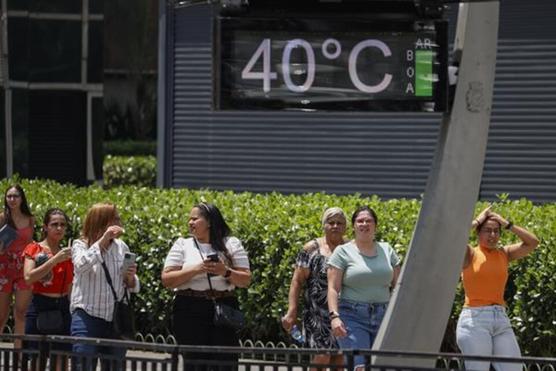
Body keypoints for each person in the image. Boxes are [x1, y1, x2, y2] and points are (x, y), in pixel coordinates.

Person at [161, 202, 251, 371]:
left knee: (226, 362)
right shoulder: (182, 244)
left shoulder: (231, 244)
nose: (190, 223)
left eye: (195, 219)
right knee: (194, 362)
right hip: (189, 308)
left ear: (209, 222)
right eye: (189, 219)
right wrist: (197, 269)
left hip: (223, 307)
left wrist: (225, 272)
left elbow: (245, 280)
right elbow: (167, 280)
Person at [456, 206, 539, 371]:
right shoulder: (470, 254)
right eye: (487, 230)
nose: (492, 235)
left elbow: (533, 242)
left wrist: (507, 224)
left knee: (514, 369)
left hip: (500, 318)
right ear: (478, 233)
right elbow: (456, 236)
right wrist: (478, 219)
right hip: (474, 320)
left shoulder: (504, 253)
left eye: (496, 231)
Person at [327, 206, 401, 370]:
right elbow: (333, 288)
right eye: (360, 221)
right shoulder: (342, 252)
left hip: (384, 316)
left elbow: (398, 286)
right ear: (353, 226)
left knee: (383, 366)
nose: (364, 224)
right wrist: (334, 317)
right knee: (359, 366)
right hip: (352, 317)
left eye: (369, 221)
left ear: (375, 225)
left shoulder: (387, 250)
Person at [70, 203, 140, 371]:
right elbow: (80, 266)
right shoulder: (80, 245)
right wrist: (102, 241)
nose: (120, 221)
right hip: (87, 316)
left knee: (116, 366)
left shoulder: (121, 247)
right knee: (83, 365)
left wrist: (130, 278)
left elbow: (132, 284)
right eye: (115, 218)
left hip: (114, 318)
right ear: (102, 222)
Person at [282, 207, 347, 368]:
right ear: (323, 225)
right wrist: (292, 310)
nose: (335, 226)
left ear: (345, 227)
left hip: (343, 313)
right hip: (316, 314)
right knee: (321, 357)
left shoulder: (350, 248)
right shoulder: (311, 248)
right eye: (331, 222)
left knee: (339, 361)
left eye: (339, 223)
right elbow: (297, 282)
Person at [23, 208, 73, 370]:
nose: (59, 228)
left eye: (63, 225)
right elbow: (29, 277)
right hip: (40, 305)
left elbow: (70, 285)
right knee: (38, 359)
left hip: (62, 307)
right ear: (45, 227)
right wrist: (54, 260)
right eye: (54, 224)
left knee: (61, 359)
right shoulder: (34, 248)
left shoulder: (67, 253)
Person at [0, 184, 35, 349]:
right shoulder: (1, 218)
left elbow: (31, 244)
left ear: (22, 199)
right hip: (4, 267)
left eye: (15, 196)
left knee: (21, 313)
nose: (12, 200)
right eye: (9, 196)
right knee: (1, 315)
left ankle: (18, 353)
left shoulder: (30, 219)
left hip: (23, 267)